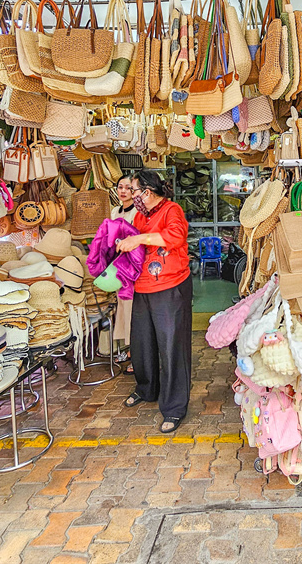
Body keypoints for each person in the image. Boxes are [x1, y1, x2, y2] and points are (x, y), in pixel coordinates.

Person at [116, 169, 191, 433]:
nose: (132, 196)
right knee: (142, 344)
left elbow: (175, 237)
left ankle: (174, 407)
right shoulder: (140, 215)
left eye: (134, 190)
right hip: (142, 286)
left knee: (172, 347)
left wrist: (139, 238)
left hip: (170, 286)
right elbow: (134, 244)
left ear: (147, 192)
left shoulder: (171, 210)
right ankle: (146, 389)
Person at [110, 174, 137, 374]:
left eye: (128, 188)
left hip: (133, 268)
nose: (123, 191)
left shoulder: (138, 212)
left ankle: (138, 354)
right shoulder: (115, 211)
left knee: (133, 311)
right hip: (119, 266)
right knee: (124, 310)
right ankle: (132, 350)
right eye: (120, 187)